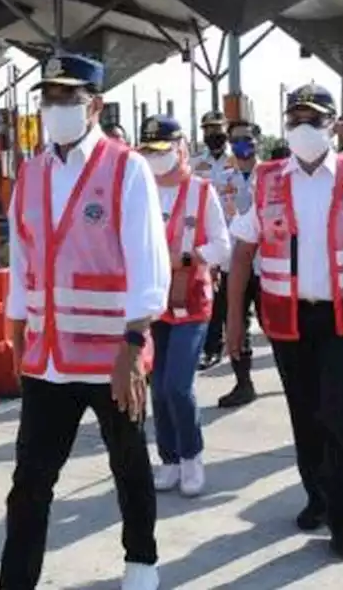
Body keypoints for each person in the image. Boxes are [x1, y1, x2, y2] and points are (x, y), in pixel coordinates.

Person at [0, 53, 170, 589]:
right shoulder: (31, 172)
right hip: (48, 359)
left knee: (128, 466)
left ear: (94, 105)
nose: (55, 108)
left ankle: (141, 564)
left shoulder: (126, 167)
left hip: (111, 355)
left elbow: (148, 263)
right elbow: (21, 258)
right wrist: (15, 326)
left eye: (67, 99)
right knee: (30, 482)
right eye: (48, 98)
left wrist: (134, 345)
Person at [226, 82, 343, 559]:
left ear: (333, 125)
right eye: (296, 118)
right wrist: (232, 322)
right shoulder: (267, 179)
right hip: (287, 319)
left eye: (314, 119)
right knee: (304, 416)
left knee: (340, 417)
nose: (304, 127)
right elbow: (242, 252)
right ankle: (317, 498)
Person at [137, 115, 230, 497]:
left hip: (191, 301)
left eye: (163, 151)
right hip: (152, 304)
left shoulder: (201, 191)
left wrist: (187, 258)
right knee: (156, 389)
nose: (157, 159)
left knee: (178, 385)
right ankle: (170, 459)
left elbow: (223, 246)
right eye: (149, 151)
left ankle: (192, 457)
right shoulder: (140, 189)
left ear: (181, 149)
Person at [216, 119, 263, 408]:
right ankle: (243, 383)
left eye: (246, 139)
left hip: (266, 263)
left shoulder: (273, 174)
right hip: (233, 262)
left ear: (257, 140)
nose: (240, 145)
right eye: (234, 140)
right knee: (234, 322)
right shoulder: (221, 177)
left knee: (273, 324)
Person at [192, 111, 234, 370]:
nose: (212, 135)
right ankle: (212, 347)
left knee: (238, 296)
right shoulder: (198, 163)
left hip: (239, 239)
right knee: (216, 299)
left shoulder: (238, 159)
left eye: (216, 129)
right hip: (212, 240)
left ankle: (239, 341)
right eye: (207, 130)